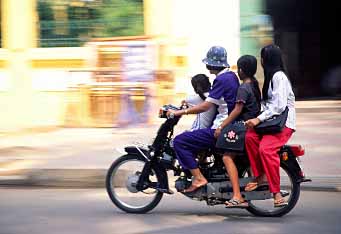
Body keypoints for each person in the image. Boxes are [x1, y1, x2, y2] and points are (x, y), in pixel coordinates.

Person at [167, 46, 240, 193]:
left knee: (180, 141)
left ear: (212, 64)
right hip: (230, 125)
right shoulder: (231, 76)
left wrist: (180, 112)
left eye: (208, 63)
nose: (207, 66)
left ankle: (199, 178)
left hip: (220, 127)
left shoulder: (221, 80)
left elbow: (205, 106)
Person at [244, 44, 296, 208]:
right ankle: (260, 176)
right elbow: (268, 105)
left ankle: (277, 192)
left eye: (263, 57)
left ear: (268, 60)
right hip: (272, 122)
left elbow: (279, 106)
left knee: (266, 149)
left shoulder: (279, 77)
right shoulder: (271, 76)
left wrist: (258, 120)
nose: (261, 61)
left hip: (283, 124)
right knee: (250, 137)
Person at [214, 55, 261, 208]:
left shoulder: (243, 88)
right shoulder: (254, 85)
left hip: (243, 127)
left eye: (238, 69)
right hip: (252, 126)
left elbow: (236, 110)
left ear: (241, 70)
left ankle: (237, 195)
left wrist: (221, 126)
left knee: (226, 156)